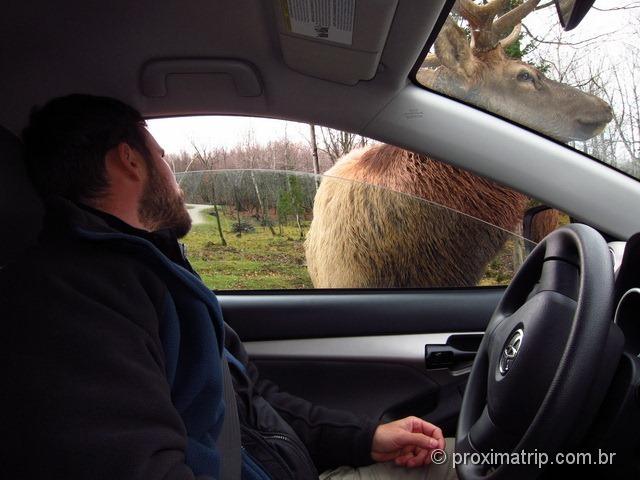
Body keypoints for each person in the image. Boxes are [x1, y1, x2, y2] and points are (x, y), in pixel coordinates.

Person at [0, 94, 457, 480]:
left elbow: (250, 404)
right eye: (162, 156)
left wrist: (365, 439)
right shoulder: (69, 300)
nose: (172, 175)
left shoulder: (150, 272)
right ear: (130, 160)